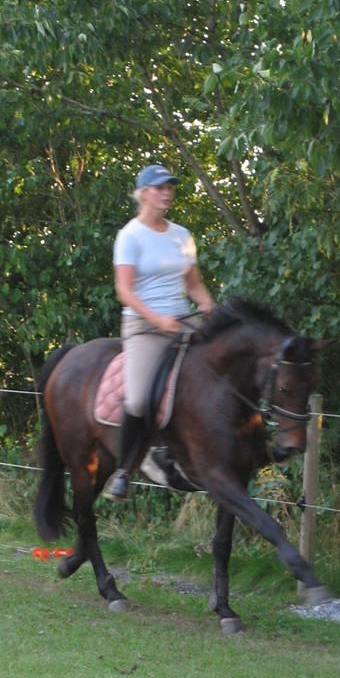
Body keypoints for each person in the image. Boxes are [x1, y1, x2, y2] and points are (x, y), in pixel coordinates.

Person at [102, 164, 215, 501]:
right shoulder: (130, 235)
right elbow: (125, 291)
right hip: (144, 325)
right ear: (143, 193)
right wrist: (157, 319)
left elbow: (193, 284)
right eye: (160, 187)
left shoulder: (182, 235)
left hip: (184, 320)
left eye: (170, 187)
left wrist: (211, 308)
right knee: (137, 398)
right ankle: (125, 470)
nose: (167, 192)